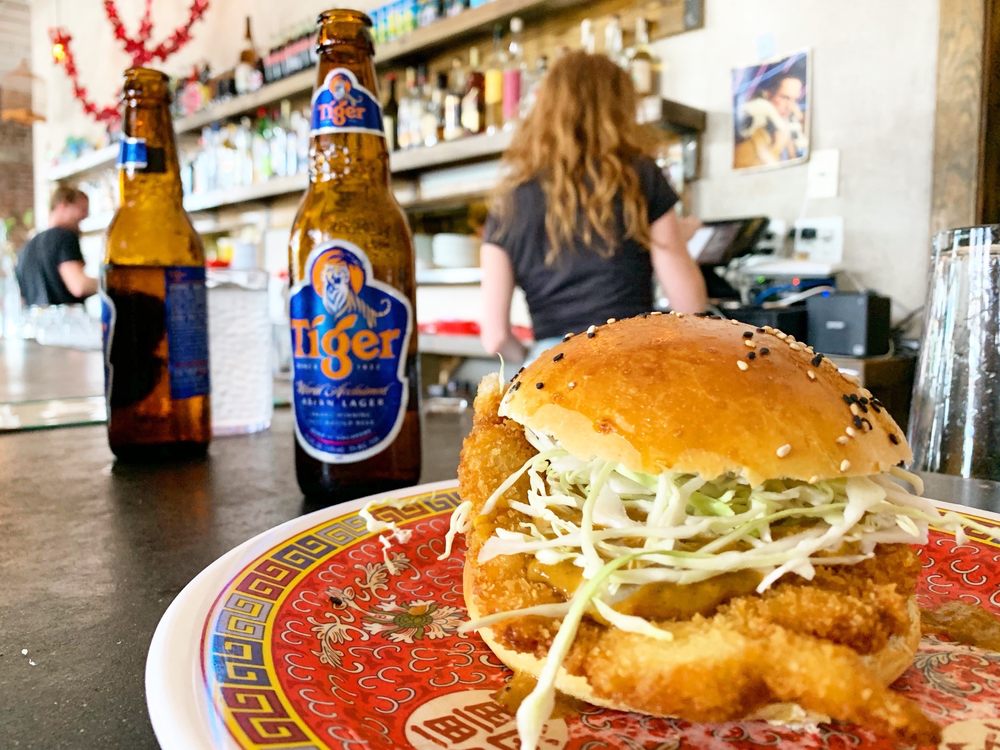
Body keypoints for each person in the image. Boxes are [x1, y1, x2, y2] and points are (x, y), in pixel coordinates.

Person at [479, 51, 707, 363]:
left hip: (550, 372)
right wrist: (679, 238)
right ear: (619, 109)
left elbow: (494, 337)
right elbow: (690, 304)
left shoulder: (508, 202)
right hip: (630, 361)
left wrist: (534, 360)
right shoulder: (639, 175)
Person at [16, 186, 97, 306]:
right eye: (82, 209)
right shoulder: (64, 236)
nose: (85, 215)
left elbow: (22, 298)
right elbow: (79, 286)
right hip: (66, 322)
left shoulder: (27, 247)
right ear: (63, 205)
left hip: (34, 322)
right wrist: (113, 282)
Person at [733, 67, 807, 169]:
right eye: (785, 97)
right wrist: (777, 146)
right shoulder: (754, 129)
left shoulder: (788, 128)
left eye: (795, 100)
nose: (790, 106)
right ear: (769, 94)